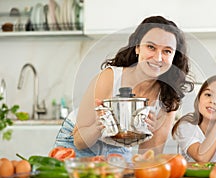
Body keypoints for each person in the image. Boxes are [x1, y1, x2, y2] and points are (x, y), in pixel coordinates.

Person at [53, 16, 193, 162]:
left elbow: (149, 159)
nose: (158, 58)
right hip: (77, 142)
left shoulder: (168, 97)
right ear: (137, 47)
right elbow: (79, 142)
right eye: (151, 47)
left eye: (167, 51)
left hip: (119, 147)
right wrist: (99, 125)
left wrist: (148, 132)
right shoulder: (110, 78)